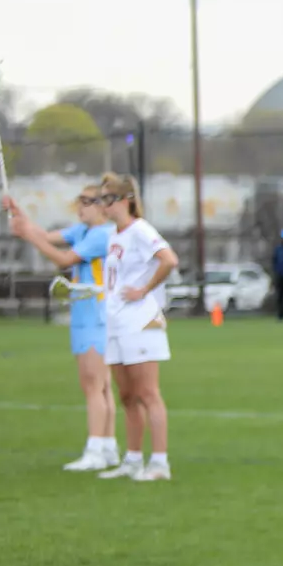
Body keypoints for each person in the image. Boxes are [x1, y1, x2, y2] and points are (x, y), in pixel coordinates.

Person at [4, 186, 119, 471]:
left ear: (103, 206)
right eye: (80, 202)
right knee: (99, 386)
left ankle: (95, 448)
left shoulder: (102, 234)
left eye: (89, 202)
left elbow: (64, 259)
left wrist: (27, 234)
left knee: (94, 384)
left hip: (96, 315)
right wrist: (22, 217)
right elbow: (46, 237)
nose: (82, 207)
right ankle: (107, 447)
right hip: (83, 315)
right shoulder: (82, 231)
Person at [95, 174, 179, 483]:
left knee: (148, 393)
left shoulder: (140, 230)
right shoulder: (113, 236)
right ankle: (132, 459)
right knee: (127, 396)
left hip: (141, 321)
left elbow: (169, 260)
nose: (103, 205)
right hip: (117, 322)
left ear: (124, 200)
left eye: (107, 199)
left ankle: (159, 463)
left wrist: (144, 289)